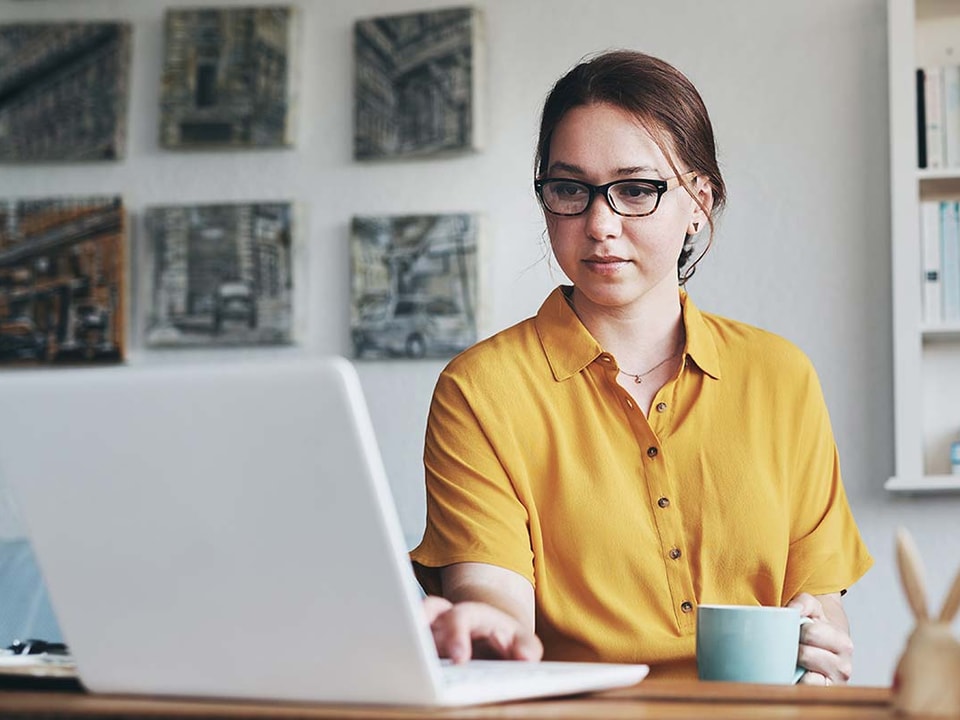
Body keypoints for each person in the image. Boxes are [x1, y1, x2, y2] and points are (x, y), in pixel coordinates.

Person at [410, 49, 873, 684]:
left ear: (698, 203)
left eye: (636, 189)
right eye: (569, 189)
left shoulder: (781, 378)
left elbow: (821, 608)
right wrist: (485, 630)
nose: (600, 224)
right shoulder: (479, 390)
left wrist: (824, 649)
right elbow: (492, 596)